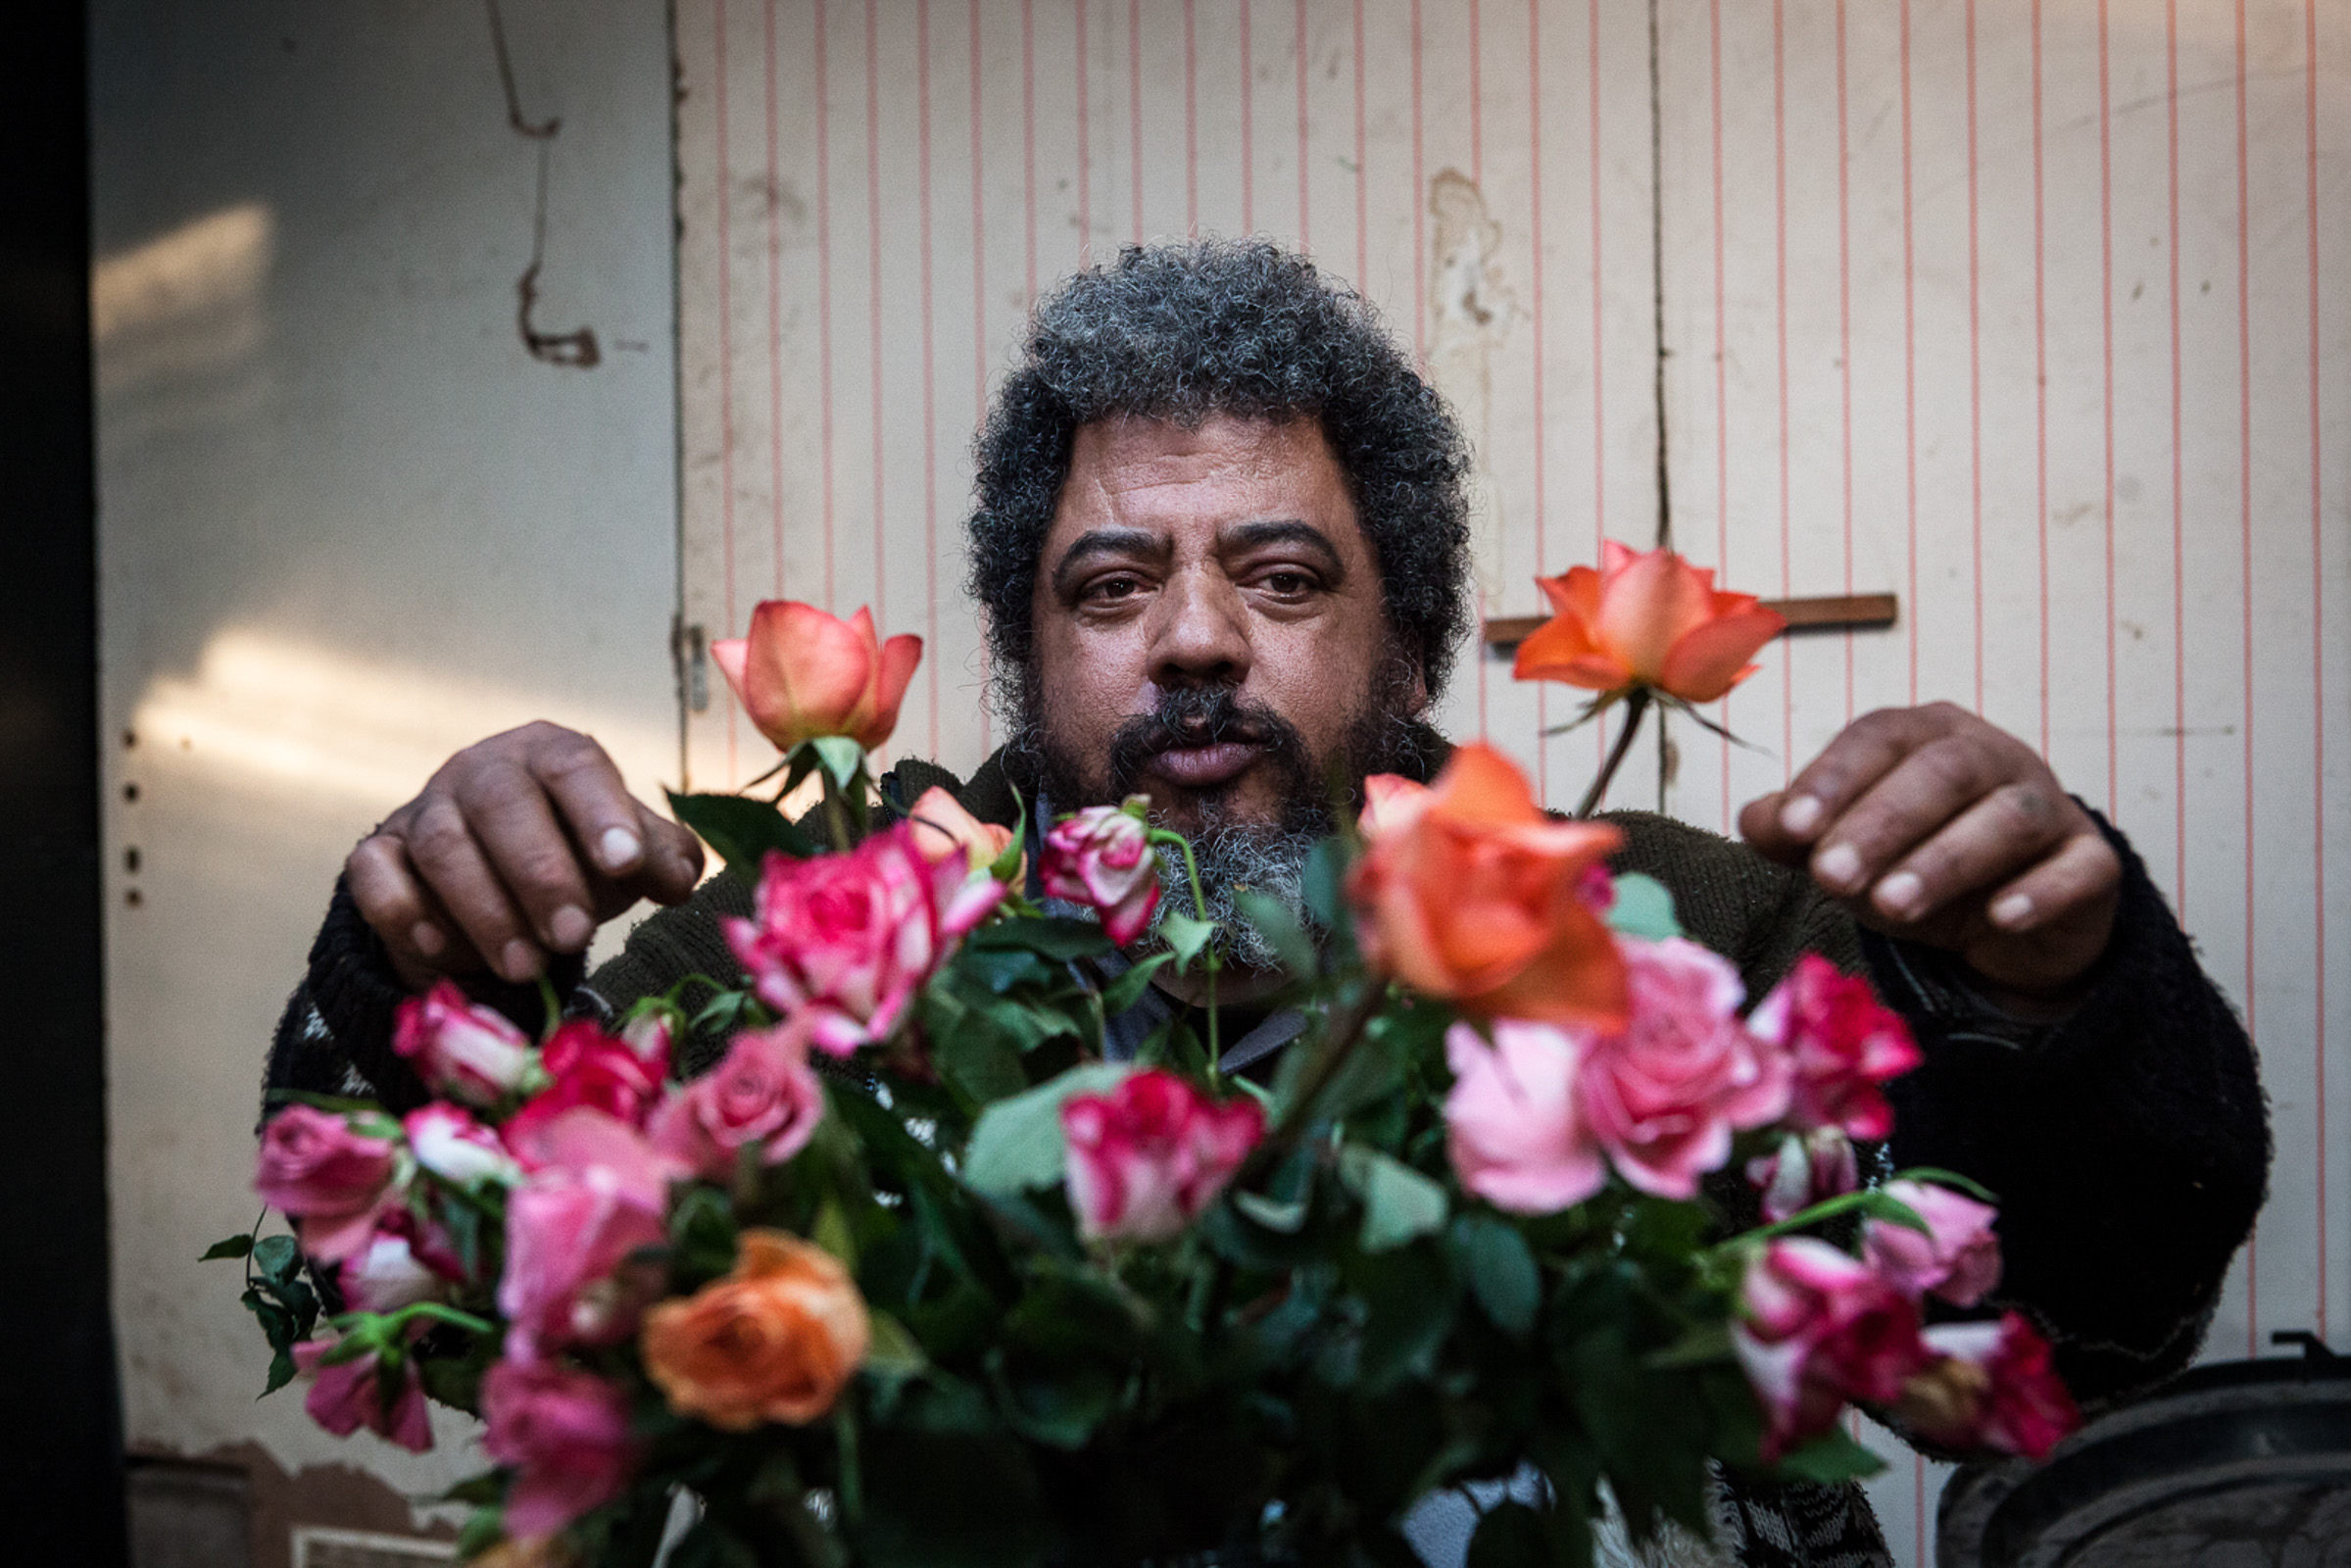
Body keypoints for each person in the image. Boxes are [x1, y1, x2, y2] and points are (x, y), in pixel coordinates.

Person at [264, 239, 2267, 1568]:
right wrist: (433, 958)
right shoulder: (797, 964)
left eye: (1287, 578)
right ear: (1024, 659)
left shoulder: (1674, 934)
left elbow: (2106, 1313)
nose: (1199, 642)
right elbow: (405, 1304)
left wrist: (2058, 976)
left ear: (1401, 649)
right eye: (1113, 586)